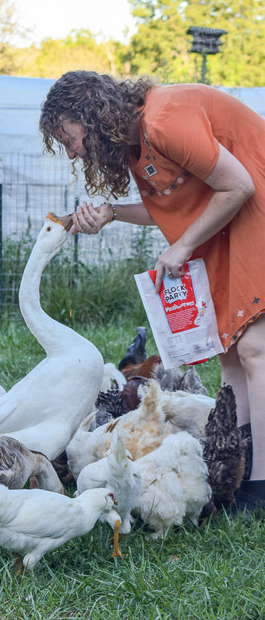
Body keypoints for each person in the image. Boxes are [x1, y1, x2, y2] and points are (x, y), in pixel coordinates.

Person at [39, 70, 265, 514]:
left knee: (256, 348)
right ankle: (237, 475)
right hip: (235, 213)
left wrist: (181, 246)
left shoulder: (164, 120)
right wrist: (112, 214)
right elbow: (174, 203)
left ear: (91, 116)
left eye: (70, 138)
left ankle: (260, 487)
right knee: (232, 350)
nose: (72, 151)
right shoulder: (137, 141)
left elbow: (239, 184)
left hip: (254, 201)